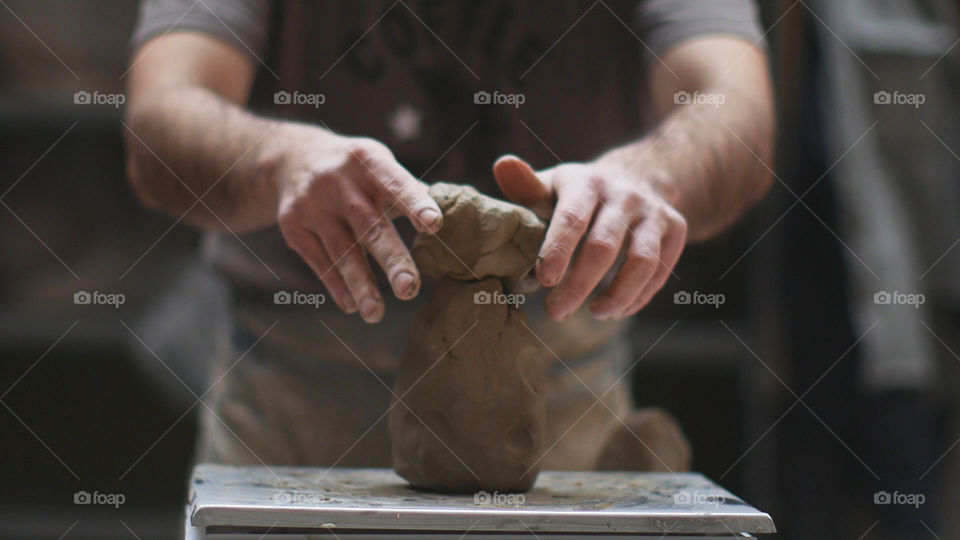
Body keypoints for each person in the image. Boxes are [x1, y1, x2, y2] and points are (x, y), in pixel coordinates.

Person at [125, 0, 774, 470]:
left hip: (558, 385)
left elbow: (736, 106)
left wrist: (651, 174)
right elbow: (161, 114)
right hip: (296, 383)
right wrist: (276, 159)